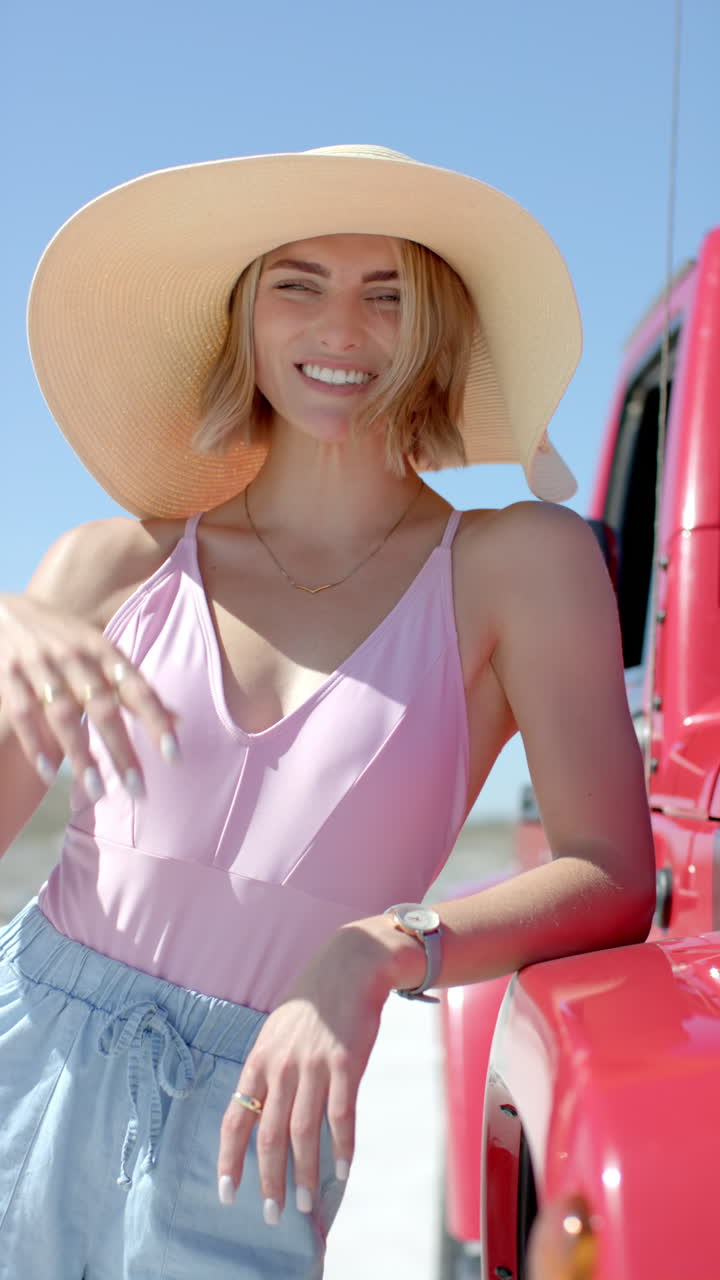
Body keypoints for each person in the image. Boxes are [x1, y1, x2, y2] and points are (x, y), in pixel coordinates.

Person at [0, 144, 655, 1277]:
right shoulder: (105, 568)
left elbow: (614, 871)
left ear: (437, 326)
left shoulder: (517, 564)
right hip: (23, 1057)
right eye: (297, 283)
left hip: (260, 1114)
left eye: (387, 292)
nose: (341, 328)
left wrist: (375, 951)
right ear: (245, 318)